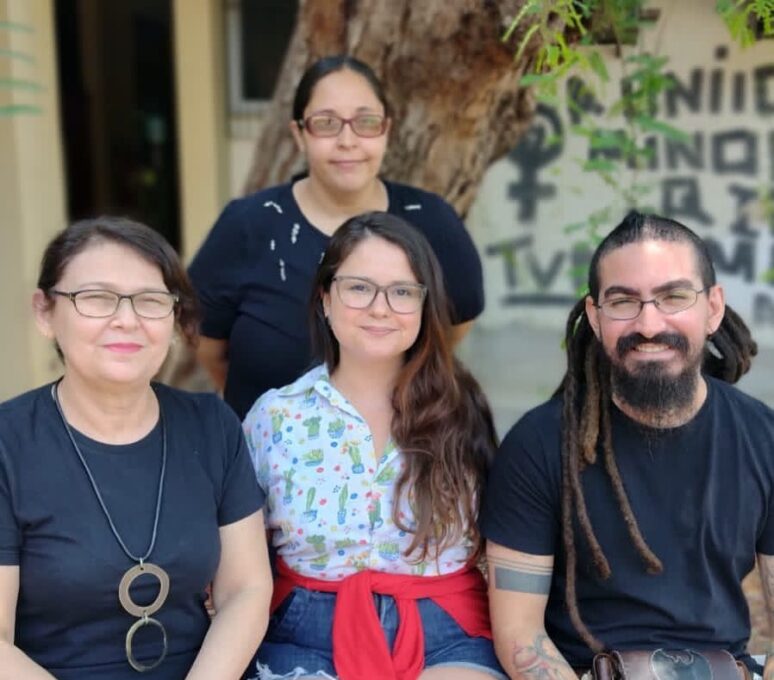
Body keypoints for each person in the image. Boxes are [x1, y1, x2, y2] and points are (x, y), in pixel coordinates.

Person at [480, 210, 771, 680]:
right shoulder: (537, 445)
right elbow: (520, 637)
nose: (650, 324)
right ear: (595, 316)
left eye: (673, 296)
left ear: (713, 307)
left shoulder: (763, 439)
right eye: (623, 301)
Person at [0, 217, 273, 679]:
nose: (126, 320)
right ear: (45, 313)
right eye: (97, 298)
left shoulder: (211, 426)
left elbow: (245, 590)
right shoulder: (9, 443)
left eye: (150, 301)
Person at [242, 212, 505, 680]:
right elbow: (241, 559)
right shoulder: (275, 417)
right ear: (325, 298)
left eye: (402, 292)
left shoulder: (461, 409)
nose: (380, 308)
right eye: (359, 288)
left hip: (446, 632)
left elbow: (495, 546)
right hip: (305, 632)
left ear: (425, 306)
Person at [188, 55, 484, 420]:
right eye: (326, 123)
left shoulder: (433, 223)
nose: (348, 140)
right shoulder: (247, 226)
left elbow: (450, 331)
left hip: (401, 456)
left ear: (386, 129)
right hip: (261, 464)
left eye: (365, 122)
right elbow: (210, 350)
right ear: (299, 134)